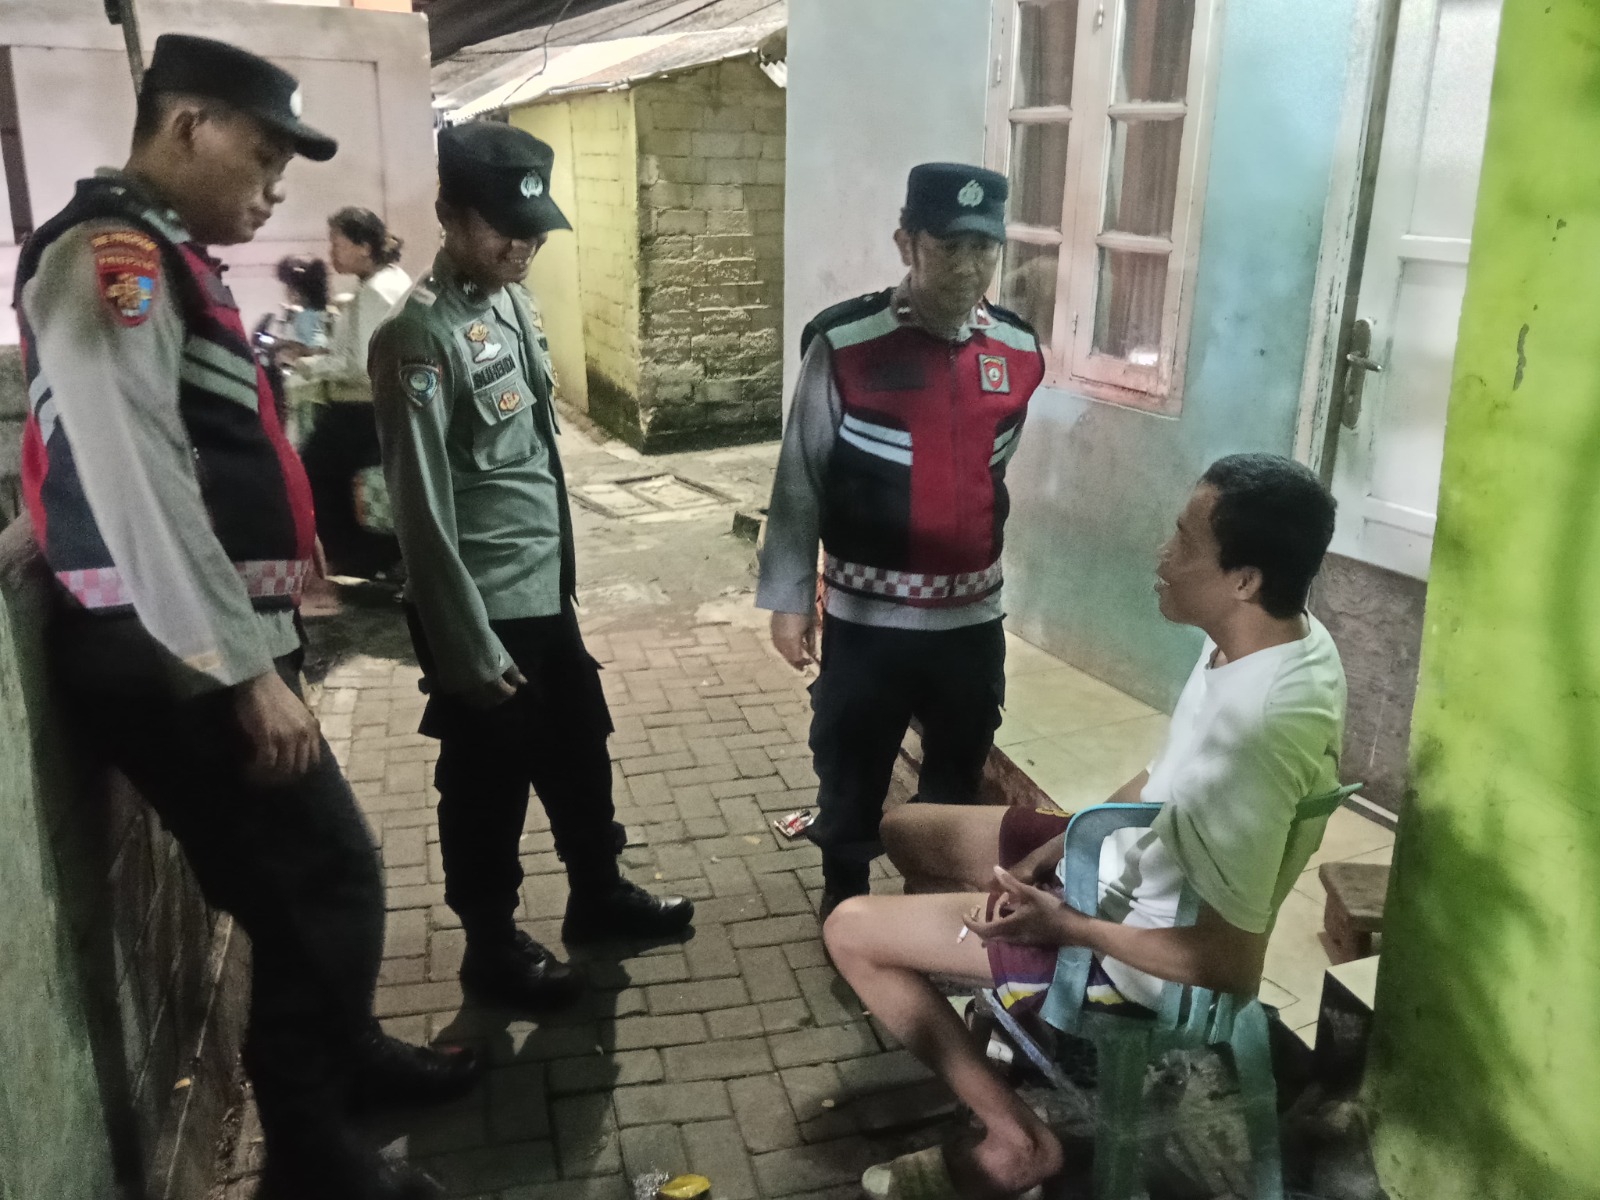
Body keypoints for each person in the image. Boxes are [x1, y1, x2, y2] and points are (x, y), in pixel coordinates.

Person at [15, 35, 479, 1200]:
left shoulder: (169, 256)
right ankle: (314, 1160)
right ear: (188, 126)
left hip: (190, 644)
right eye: (263, 156)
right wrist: (238, 669)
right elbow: (136, 474)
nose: (275, 188)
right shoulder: (111, 256)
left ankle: (345, 1065)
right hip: (167, 653)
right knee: (328, 882)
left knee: (299, 888)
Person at [823, 455, 1347, 1197]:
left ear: (1244, 580)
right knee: (910, 830)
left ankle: (1017, 1141)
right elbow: (1162, 773)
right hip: (1124, 861)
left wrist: (1064, 927)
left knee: (849, 930)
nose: (1162, 556)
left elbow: (1228, 964)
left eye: (1183, 542)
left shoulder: (1258, 735)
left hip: (1130, 954)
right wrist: (1057, 845)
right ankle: (989, 1013)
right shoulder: (1271, 638)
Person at [369, 120, 693, 1012]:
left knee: (580, 749)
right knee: (487, 784)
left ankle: (598, 894)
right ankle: (490, 947)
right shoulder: (417, 337)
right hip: (481, 610)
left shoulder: (509, 304)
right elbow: (420, 512)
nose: (523, 247)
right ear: (448, 214)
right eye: (503, 229)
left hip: (545, 596)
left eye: (534, 230)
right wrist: (465, 649)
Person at [755, 163, 1045, 917]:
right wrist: (790, 599)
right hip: (868, 626)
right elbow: (800, 478)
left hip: (971, 626)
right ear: (906, 244)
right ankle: (845, 900)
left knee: (957, 779)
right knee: (851, 771)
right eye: (949, 247)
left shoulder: (1018, 351)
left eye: (985, 249)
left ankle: (931, 911)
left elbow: (994, 467)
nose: (969, 267)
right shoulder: (847, 345)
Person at [290, 207, 411, 577]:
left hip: (364, 407)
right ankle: (367, 555)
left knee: (309, 469)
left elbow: (360, 364)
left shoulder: (375, 292)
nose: (331, 253)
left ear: (363, 247)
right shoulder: (390, 280)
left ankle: (355, 555)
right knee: (333, 474)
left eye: (336, 244)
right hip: (385, 406)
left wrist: (310, 365)